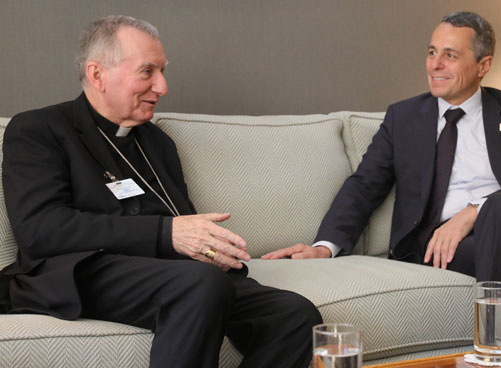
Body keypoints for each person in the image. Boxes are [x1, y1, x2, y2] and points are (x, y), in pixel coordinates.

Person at [0, 15, 321, 368]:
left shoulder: (157, 142)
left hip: (169, 273)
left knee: (296, 315)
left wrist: (210, 247)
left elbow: (180, 220)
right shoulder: (38, 128)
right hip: (81, 271)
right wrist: (168, 233)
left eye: (163, 71)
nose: (162, 87)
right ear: (97, 74)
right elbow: (40, 231)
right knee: (199, 285)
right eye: (147, 71)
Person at [263, 11, 501, 344]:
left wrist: (474, 211)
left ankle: (492, 354)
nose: (435, 64)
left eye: (450, 55)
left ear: (483, 65)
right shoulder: (404, 117)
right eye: (431, 52)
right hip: (447, 244)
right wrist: (325, 247)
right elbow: (364, 185)